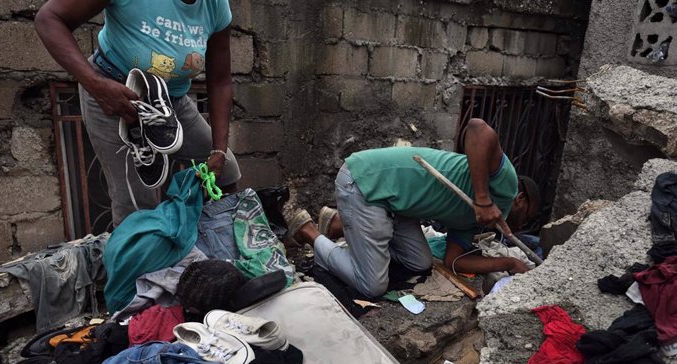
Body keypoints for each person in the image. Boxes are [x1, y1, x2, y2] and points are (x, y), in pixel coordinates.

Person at [35, 0, 241, 227]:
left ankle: (215, 244)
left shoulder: (216, 6)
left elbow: (220, 80)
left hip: (169, 101)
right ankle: (139, 256)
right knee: (135, 206)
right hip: (115, 95)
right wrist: (96, 85)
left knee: (226, 171)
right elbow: (49, 19)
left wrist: (219, 149)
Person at [290, 118, 540, 298]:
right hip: (367, 183)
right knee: (371, 286)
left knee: (420, 262)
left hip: (397, 206)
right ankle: (308, 231)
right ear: (519, 199)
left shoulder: (478, 222)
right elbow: (477, 128)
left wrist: (508, 263)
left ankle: (343, 223)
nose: (520, 227)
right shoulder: (506, 183)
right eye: (525, 216)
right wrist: (483, 199)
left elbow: (454, 261)